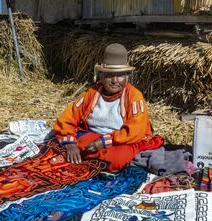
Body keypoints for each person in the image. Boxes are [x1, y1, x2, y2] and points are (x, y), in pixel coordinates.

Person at [53, 43, 164, 171]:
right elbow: (67, 118)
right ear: (101, 76)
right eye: (109, 75)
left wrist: (105, 141)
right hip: (92, 137)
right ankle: (89, 155)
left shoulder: (134, 96)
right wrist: (70, 144)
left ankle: (90, 158)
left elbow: (135, 130)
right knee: (76, 146)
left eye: (120, 75)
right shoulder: (91, 93)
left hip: (121, 141)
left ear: (127, 77)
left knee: (116, 159)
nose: (115, 81)